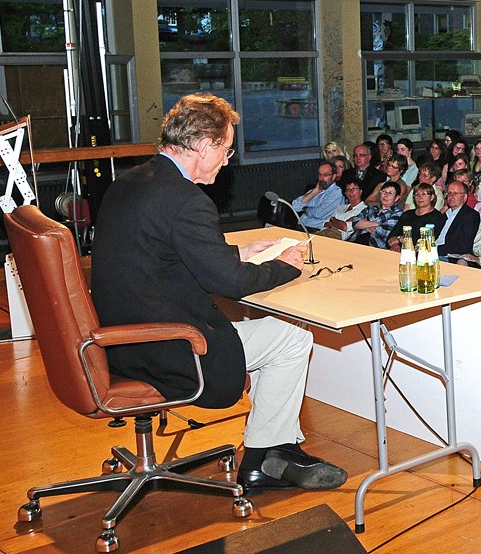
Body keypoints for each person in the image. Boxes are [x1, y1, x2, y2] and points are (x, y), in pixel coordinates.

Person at [91, 93, 345, 491]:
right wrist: (286, 266)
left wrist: (238, 251)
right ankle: (267, 456)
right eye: (226, 151)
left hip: (116, 341)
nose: (227, 161)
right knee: (292, 338)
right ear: (204, 145)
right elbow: (231, 283)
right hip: (168, 349)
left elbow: (160, 251)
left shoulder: (131, 182)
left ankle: (276, 451)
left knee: (274, 334)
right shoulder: (186, 200)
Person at [290, 162, 344, 231]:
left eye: (325, 175)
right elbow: (295, 206)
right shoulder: (317, 189)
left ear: (333, 176)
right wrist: (313, 192)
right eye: (320, 175)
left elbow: (319, 214)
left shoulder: (337, 193)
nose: (322, 178)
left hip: (318, 230)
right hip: (302, 225)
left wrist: (305, 209)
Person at [434, 180, 480, 259]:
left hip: (448, 256)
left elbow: (463, 245)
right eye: (449, 193)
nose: (451, 196)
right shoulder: (444, 214)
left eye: (455, 193)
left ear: (465, 197)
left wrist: (434, 250)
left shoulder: (470, 215)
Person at [352, 181, 404, 248]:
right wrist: (379, 224)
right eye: (384, 191)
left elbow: (383, 232)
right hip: (355, 240)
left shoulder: (397, 213)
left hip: (376, 246)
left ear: (396, 198)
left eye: (390, 193)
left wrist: (364, 223)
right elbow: (355, 221)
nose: (386, 195)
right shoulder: (371, 207)